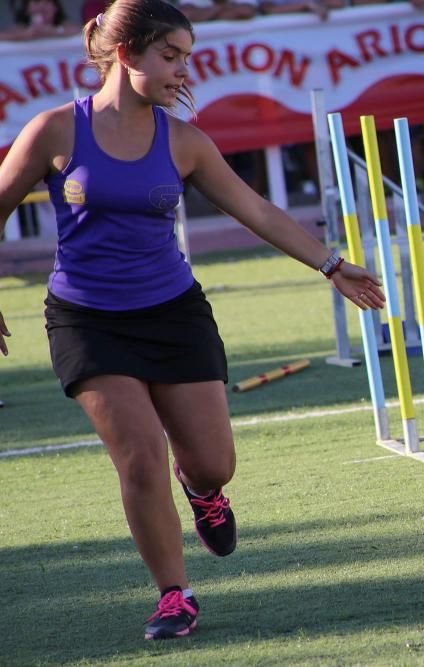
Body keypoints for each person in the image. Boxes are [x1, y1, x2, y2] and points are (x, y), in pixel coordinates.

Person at [0, 0, 385, 641]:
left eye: (188, 57)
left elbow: (256, 210)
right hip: (87, 320)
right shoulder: (55, 131)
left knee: (212, 463)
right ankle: (173, 595)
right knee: (141, 457)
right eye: (171, 56)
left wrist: (331, 264)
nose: (185, 72)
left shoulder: (185, 142)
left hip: (174, 313)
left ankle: (203, 492)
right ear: (127, 55)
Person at [0, 0, 78, 40]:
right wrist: (26, 34)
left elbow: (79, 33)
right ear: (27, 9)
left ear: (55, 8)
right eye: (36, 2)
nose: (41, 6)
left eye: (47, 2)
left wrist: (54, 32)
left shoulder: (62, 25)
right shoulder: (21, 28)